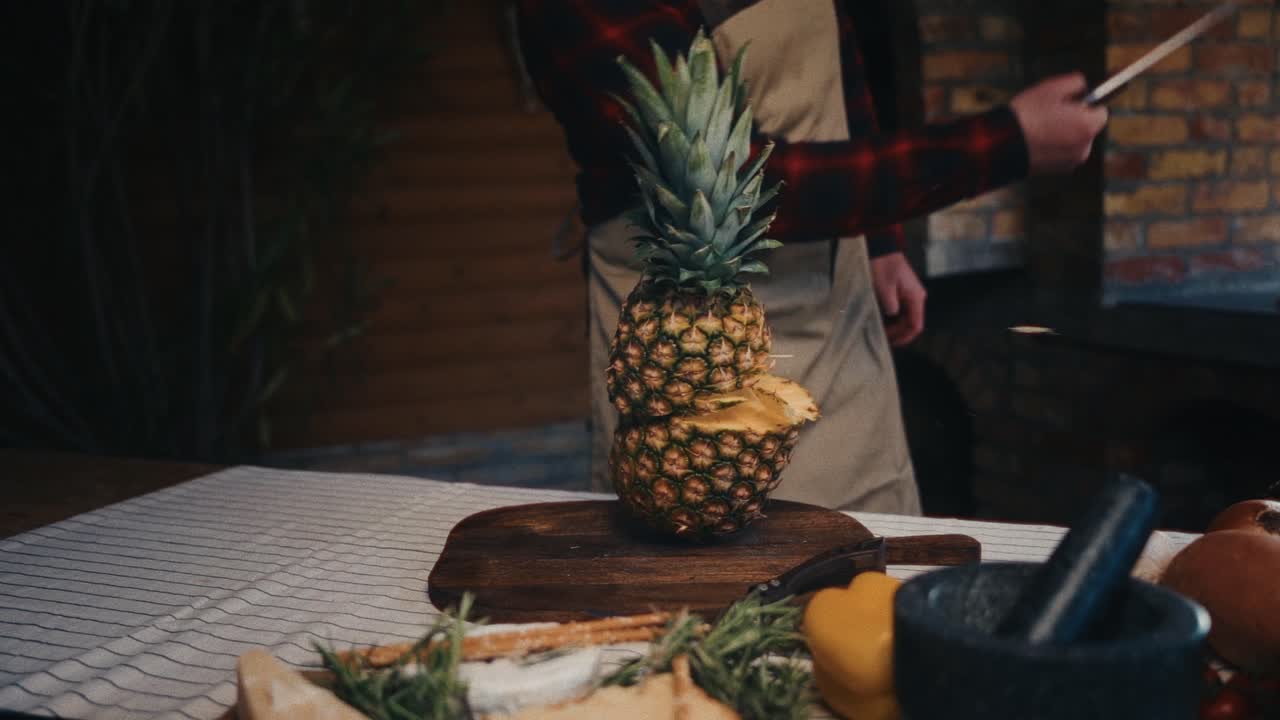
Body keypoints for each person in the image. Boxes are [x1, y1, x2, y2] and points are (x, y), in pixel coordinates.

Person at [515, 0, 1107, 514]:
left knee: (871, 563)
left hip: (837, 309)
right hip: (684, 337)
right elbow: (737, 182)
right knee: (706, 592)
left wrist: (880, 243)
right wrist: (1006, 144)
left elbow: (840, 70)